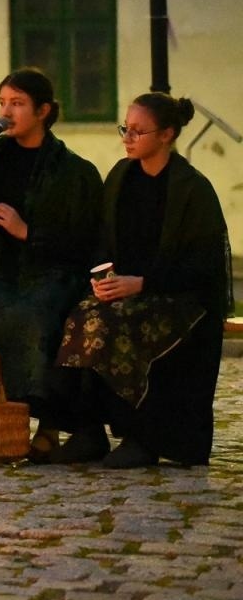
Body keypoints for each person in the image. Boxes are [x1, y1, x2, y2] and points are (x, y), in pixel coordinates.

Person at [46, 94, 232, 468]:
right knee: (78, 316)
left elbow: (203, 267)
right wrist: (103, 278)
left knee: (118, 325)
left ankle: (142, 436)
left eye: (137, 131)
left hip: (179, 296)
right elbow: (102, 239)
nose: (127, 138)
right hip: (127, 289)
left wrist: (142, 283)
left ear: (166, 134)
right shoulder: (120, 177)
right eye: (124, 129)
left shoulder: (191, 190)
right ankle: (88, 431)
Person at [0, 68, 102, 462]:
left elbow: (86, 240)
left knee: (36, 315)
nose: (6, 111)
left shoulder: (74, 171)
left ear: (43, 111)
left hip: (52, 273)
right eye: (2, 102)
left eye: (17, 103)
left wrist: (28, 232)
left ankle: (48, 424)